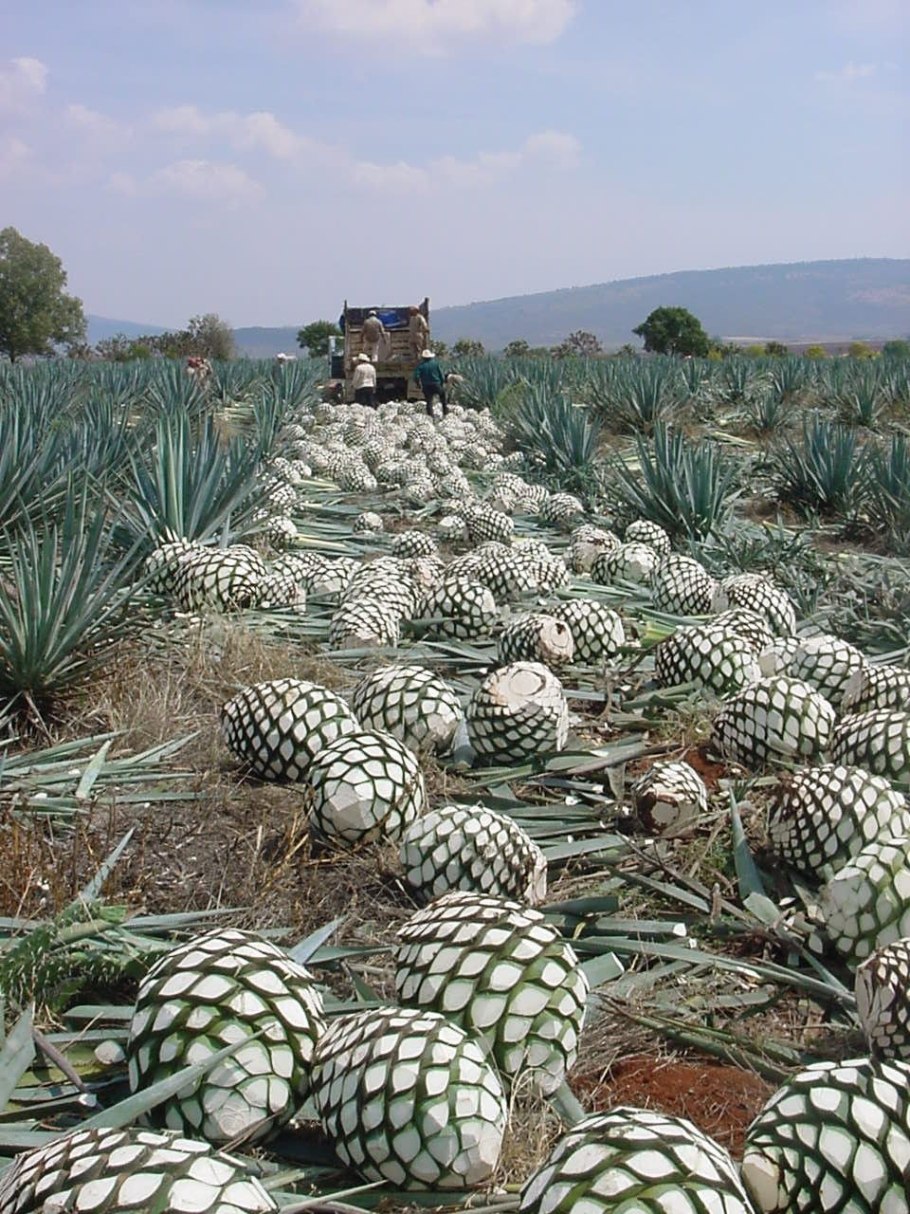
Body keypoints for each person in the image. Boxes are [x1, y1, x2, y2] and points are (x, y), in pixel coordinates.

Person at [414, 349, 447, 417]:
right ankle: (445, 412)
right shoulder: (435, 364)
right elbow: (441, 375)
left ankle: (430, 416)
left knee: (429, 402)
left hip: (426, 386)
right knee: (443, 397)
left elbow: (416, 376)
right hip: (436, 384)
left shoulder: (421, 366)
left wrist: (418, 384)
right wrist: (441, 384)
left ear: (423, 358)